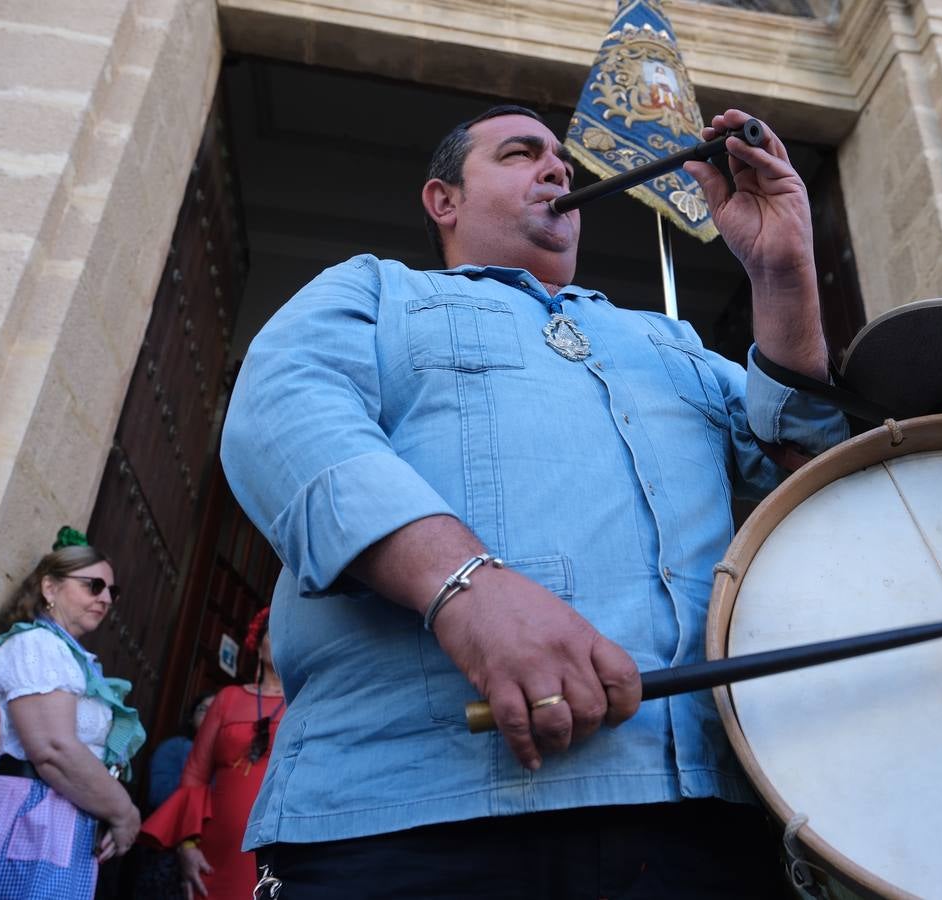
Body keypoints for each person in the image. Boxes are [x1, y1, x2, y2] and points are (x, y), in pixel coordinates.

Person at [220, 105, 848, 897]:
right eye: (522, 154)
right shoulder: (374, 293)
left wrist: (781, 275)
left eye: (563, 162)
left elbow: (811, 482)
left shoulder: (675, 343)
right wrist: (466, 589)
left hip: (706, 822)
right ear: (442, 200)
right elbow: (282, 417)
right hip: (408, 818)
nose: (558, 169)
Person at [0, 528, 145, 899]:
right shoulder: (39, 646)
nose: (106, 598)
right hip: (27, 819)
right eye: (94, 586)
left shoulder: (68, 654)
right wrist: (124, 812)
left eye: (113, 591)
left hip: (56, 819)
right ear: (50, 588)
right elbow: (53, 749)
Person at [139, 607, 285, 900]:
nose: (282, 636)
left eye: (289, 630)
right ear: (257, 643)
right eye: (272, 630)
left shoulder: (306, 704)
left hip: (276, 848)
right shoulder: (228, 698)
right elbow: (195, 774)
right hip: (214, 845)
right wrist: (187, 846)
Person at [131, 691, 216, 900]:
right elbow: (159, 795)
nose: (210, 715)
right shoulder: (176, 747)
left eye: (217, 711)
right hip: (167, 852)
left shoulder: (230, 761)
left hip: (210, 853)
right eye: (204, 709)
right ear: (191, 717)